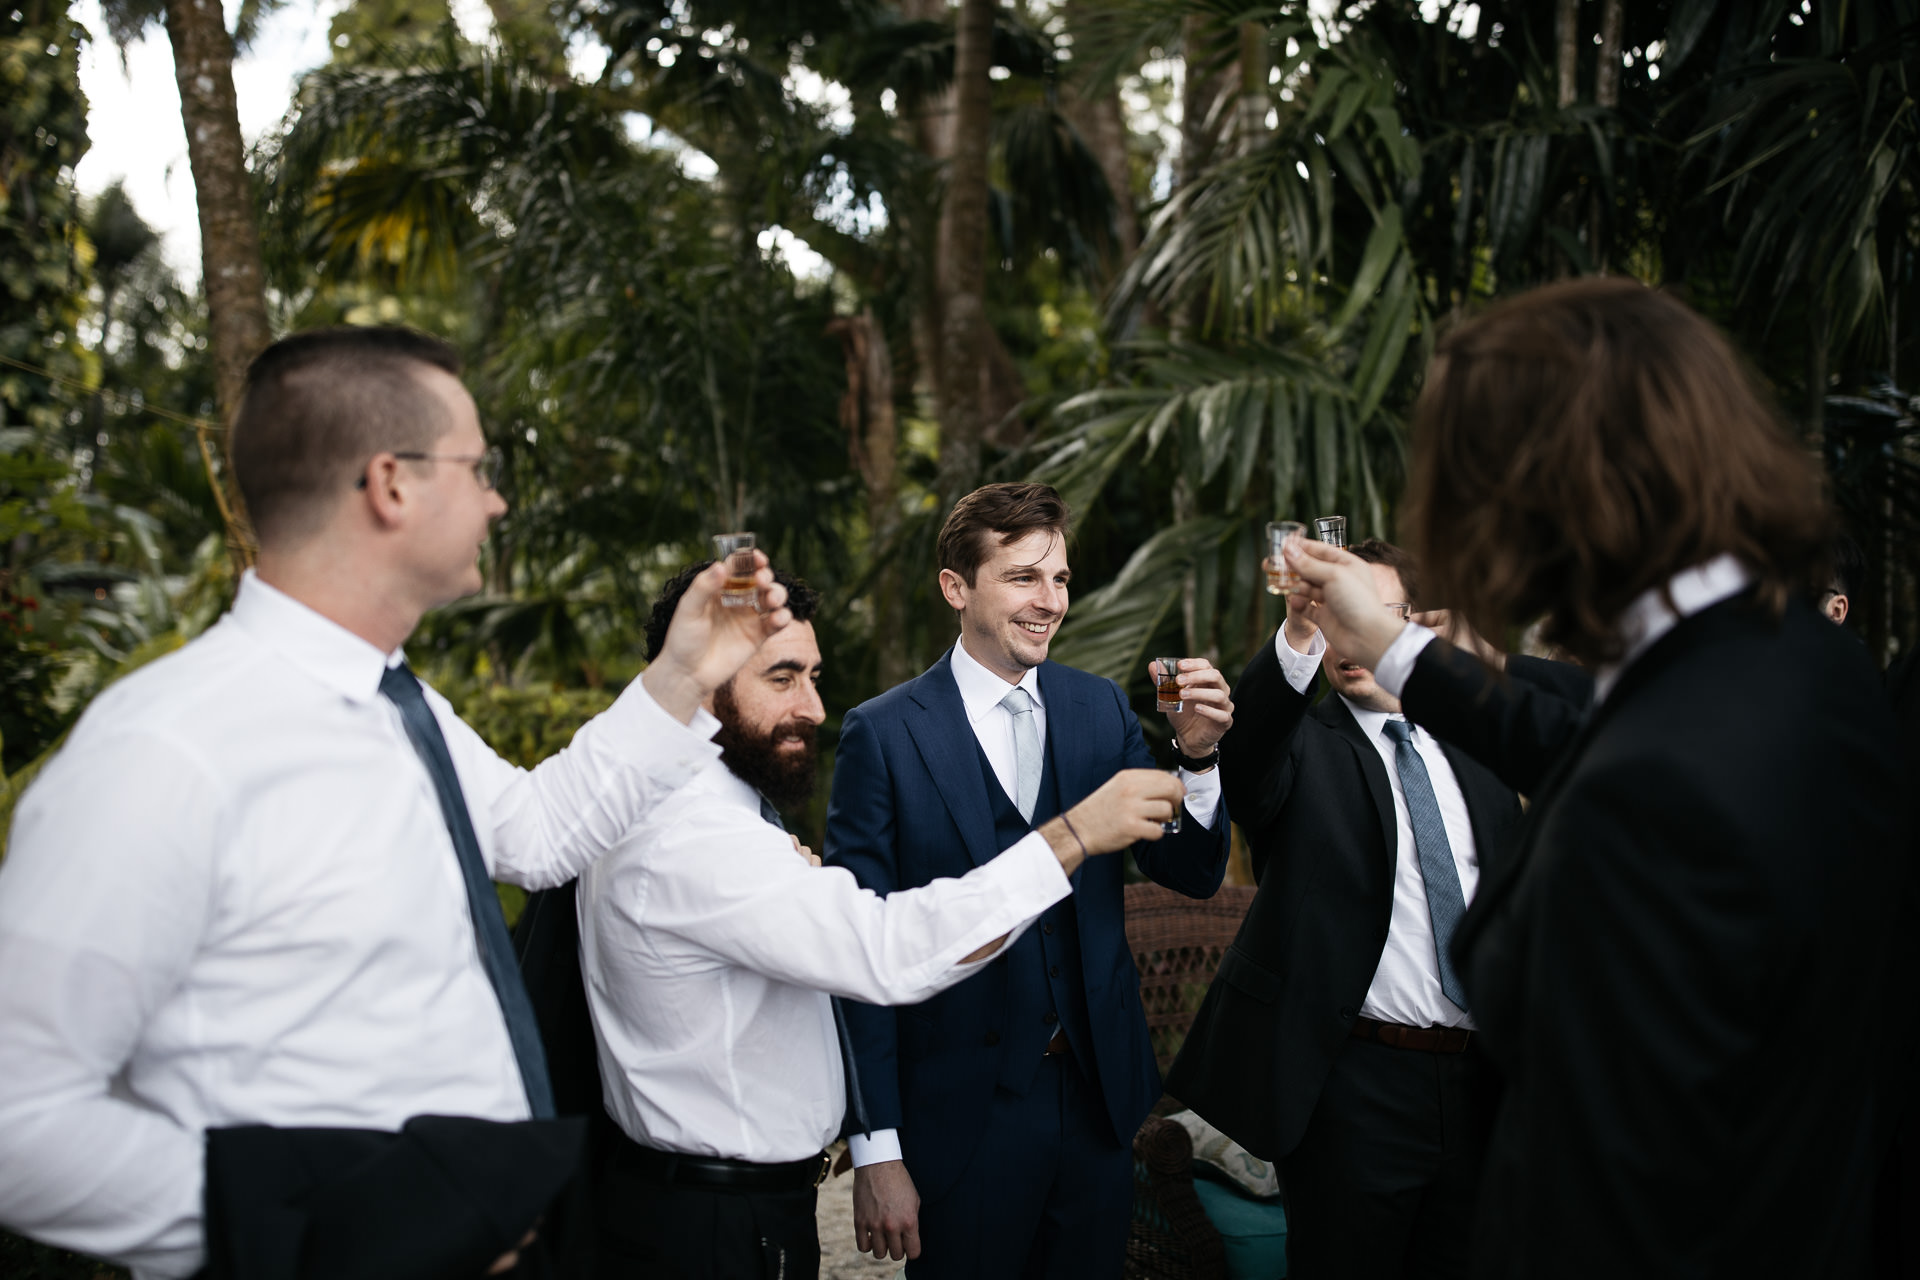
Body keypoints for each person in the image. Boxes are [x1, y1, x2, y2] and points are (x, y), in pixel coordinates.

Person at [0, 327, 791, 1279]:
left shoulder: (403, 705)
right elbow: (19, 1114)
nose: (497, 498)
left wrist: (682, 675)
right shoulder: (166, 749)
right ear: (391, 483)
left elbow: (537, 836)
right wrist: (327, 1228)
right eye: (477, 466)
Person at [1285, 278, 1911, 1277]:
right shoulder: (1794, 658)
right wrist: (1395, 644)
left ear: (1547, 496)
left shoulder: (1657, 795)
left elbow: (1609, 1189)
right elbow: (1576, 728)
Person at [577, 565, 1186, 1279]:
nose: (812, 706)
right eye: (781, 679)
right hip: (712, 1224)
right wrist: (1074, 835)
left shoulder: (685, 806)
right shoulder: (698, 837)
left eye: (813, 675)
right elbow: (887, 953)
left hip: (729, 1201)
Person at [825, 482, 1235, 1278]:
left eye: (1061, 580)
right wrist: (877, 1149)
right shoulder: (882, 734)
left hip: (1097, 1107)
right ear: (957, 587)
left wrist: (1197, 758)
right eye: (1022, 578)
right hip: (959, 1121)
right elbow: (855, 950)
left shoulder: (1100, 709)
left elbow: (1187, 870)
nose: (1049, 602)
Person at [1167, 539, 1524, 1279]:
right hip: (1352, 1087)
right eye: (1337, 619)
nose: (1350, 637)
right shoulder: (1299, 746)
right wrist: (1297, 630)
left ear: (1419, 624)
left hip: (1484, 1083)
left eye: (1371, 616)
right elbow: (1247, 757)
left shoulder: (1481, 749)